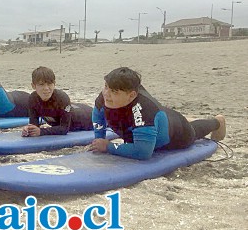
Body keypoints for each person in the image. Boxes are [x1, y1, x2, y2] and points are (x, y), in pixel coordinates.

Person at [88, 67, 226, 160]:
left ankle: (216, 122)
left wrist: (108, 146)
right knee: (148, 126)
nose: (107, 94)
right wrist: (98, 139)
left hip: (176, 134)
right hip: (159, 119)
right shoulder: (105, 96)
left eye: (115, 92)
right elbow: (98, 117)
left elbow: (143, 152)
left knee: (194, 131)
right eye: (106, 87)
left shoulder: (143, 110)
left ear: (131, 95)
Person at [21, 66, 92, 137]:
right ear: (33, 86)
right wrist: (28, 130)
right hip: (75, 110)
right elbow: (34, 125)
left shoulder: (62, 98)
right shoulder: (33, 99)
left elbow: (64, 128)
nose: (46, 88)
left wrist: (42, 131)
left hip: (89, 119)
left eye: (49, 84)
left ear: (54, 84)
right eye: (41, 84)